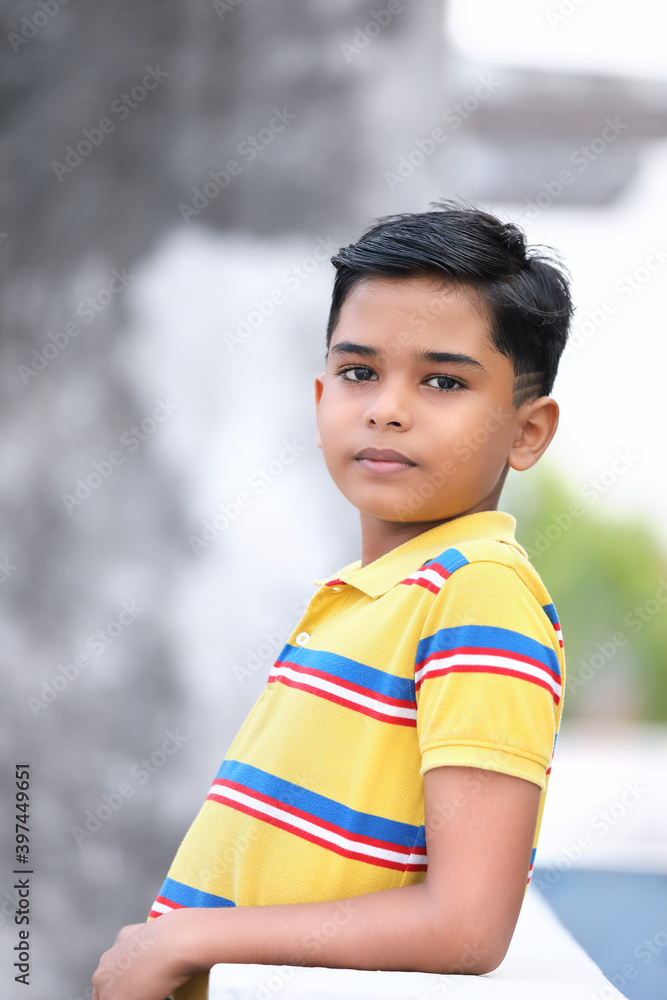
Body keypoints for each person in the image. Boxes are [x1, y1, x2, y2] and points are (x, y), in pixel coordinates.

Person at [92, 201, 572, 1000]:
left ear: (527, 432)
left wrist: (184, 939)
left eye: (443, 380)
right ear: (320, 399)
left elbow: (467, 926)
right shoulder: (369, 599)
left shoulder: (477, 593)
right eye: (358, 373)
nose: (385, 407)